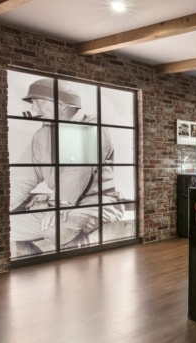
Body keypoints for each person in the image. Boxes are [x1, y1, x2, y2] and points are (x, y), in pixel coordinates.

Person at [10, 78, 125, 255]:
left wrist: (60, 204)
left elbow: (78, 170)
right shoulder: (42, 135)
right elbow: (22, 177)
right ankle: (39, 267)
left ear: (62, 105)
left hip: (98, 201)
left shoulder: (93, 127)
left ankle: (82, 270)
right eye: (32, 104)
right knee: (7, 226)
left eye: (38, 103)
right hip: (61, 202)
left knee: (57, 228)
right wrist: (4, 207)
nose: (33, 110)